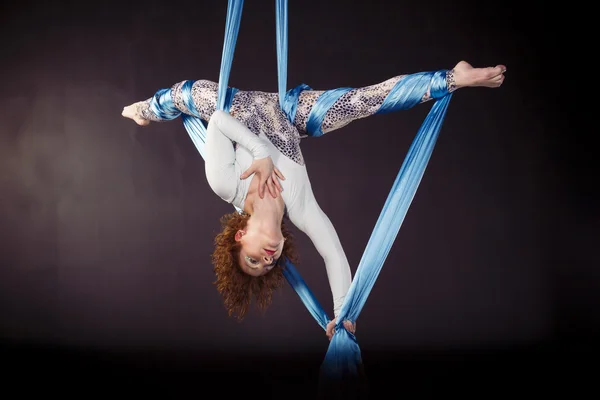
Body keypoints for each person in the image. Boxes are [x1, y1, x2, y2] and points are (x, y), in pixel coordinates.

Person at [122, 60, 506, 340]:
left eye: (253, 259)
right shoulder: (301, 209)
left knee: (186, 95)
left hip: (233, 105)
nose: (267, 258)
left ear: (240, 238)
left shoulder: (225, 185)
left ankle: (143, 110)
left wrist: (259, 154)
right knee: (359, 103)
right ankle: (453, 78)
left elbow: (220, 119)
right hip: (288, 118)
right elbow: (333, 254)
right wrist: (342, 316)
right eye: (268, 265)